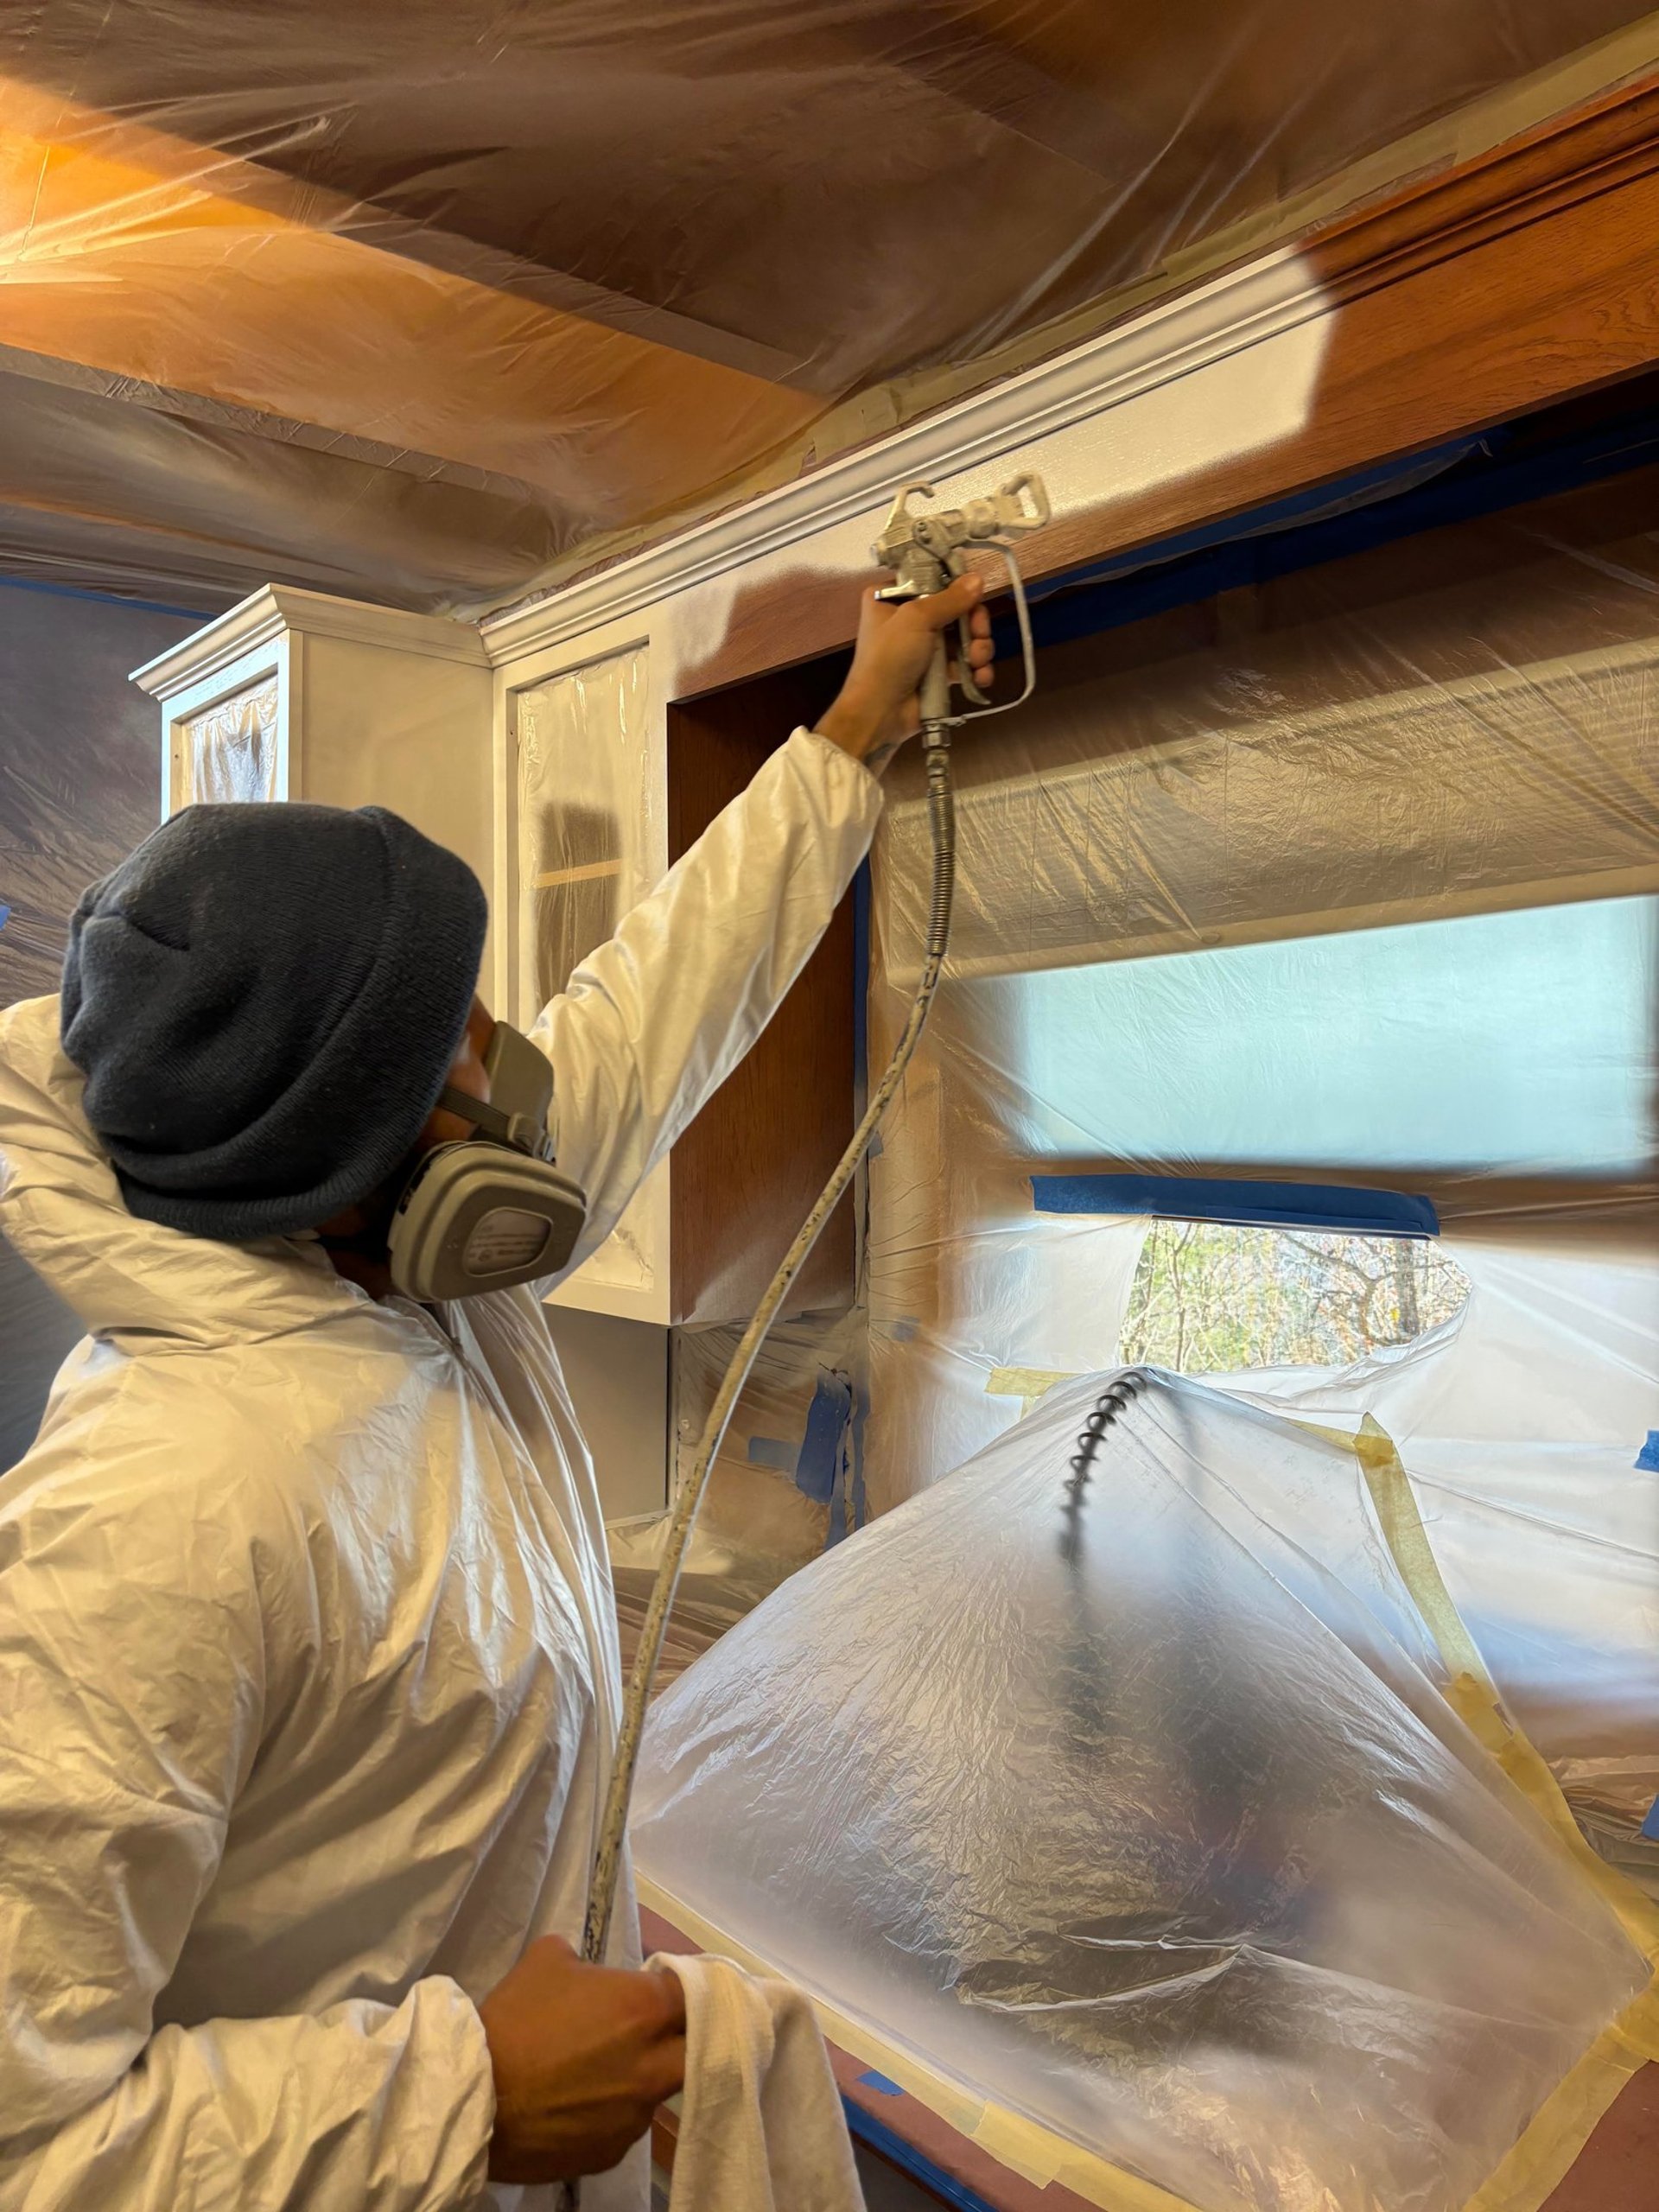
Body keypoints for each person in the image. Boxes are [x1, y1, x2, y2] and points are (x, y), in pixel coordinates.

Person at [0, 575, 992, 2211]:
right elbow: (32, 2143)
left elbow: (651, 1013)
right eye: (458, 1055)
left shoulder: (427, 1272)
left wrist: (854, 728)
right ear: (338, 1169)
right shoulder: (147, 1519)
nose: (511, 1068)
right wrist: (463, 2095)